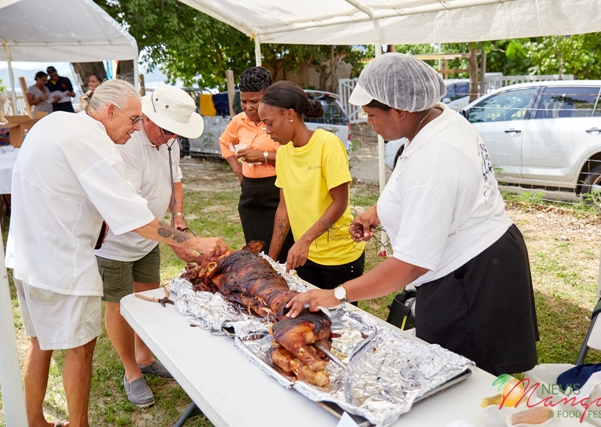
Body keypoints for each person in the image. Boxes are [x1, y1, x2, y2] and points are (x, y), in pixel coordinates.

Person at [286, 53, 539, 376]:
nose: (368, 121)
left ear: (401, 109)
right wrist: (379, 211)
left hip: (472, 278)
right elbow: (422, 188)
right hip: (482, 257)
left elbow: (411, 264)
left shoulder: (435, 158)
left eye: (372, 114)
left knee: (464, 380)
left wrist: (337, 293)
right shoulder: (436, 118)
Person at [5, 79, 227, 427]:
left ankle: (34, 422)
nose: (136, 127)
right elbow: (133, 216)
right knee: (80, 350)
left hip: (29, 256)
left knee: (40, 343)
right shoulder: (95, 142)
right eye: (134, 119)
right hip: (63, 262)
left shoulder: (54, 122)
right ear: (110, 111)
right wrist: (192, 242)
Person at [95, 84, 203, 407]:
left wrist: (178, 218)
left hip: (151, 237)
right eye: (166, 130)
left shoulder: (170, 143)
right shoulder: (125, 143)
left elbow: (175, 181)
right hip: (115, 243)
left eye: (177, 134)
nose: (171, 138)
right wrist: (180, 241)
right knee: (118, 304)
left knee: (148, 294)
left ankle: (144, 356)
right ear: (148, 117)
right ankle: (131, 371)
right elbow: (130, 212)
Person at [258, 81, 365, 290]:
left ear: (290, 114)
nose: (266, 130)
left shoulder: (327, 144)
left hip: (340, 257)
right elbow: (284, 208)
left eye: (269, 123)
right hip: (305, 258)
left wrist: (304, 241)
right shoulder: (283, 154)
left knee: (339, 320)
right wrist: (270, 261)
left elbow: (340, 202)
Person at [219, 67, 293, 261]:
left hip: (277, 191)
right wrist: (238, 171)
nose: (248, 107)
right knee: (256, 251)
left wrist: (263, 156)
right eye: (244, 101)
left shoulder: (279, 121)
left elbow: (292, 155)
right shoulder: (238, 121)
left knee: (281, 252)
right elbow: (224, 142)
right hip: (250, 195)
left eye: (255, 101)